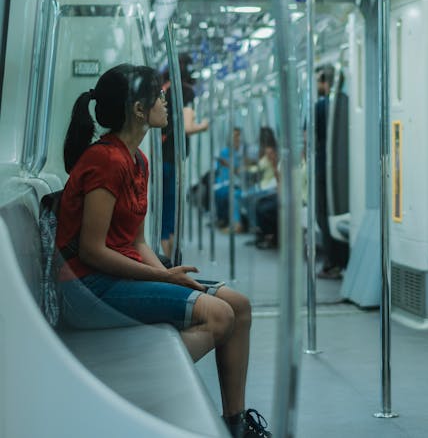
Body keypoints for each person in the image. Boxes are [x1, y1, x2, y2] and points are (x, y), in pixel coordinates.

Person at [56, 64, 270, 438]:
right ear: (139, 109)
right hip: (87, 287)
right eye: (157, 95)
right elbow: (91, 251)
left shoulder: (138, 160)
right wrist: (161, 277)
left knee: (239, 305)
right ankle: (122, 399)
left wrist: (174, 279)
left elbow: (137, 243)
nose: (165, 100)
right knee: (218, 316)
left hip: (118, 275)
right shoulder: (107, 160)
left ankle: (236, 425)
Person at [161, 53, 209, 259]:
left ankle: (163, 260)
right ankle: (168, 265)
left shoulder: (163, 88)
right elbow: (187, 127)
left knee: (161, 212)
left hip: (158, 159)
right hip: (173, 159)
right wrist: (203, 126)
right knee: (171, 216)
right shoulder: (185, 92)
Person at [313, 65, 349, 278]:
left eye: (319, 81)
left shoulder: (320, 106)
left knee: (324, 216)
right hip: (344, 170)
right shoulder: (346, 102)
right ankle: (342, 260)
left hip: (323, 168)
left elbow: (310, 138)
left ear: (325, 82)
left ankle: (330, 263)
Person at [215, 127, 247, 233]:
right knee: (220, 192)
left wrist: (230, 166)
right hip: (227, 182)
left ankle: (235, 223)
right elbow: (222, 172)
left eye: (238, 135)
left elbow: (243, 170)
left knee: (232, 194)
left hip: (242, 182)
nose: (236, 138)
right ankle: (224, 220)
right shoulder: (225, 152)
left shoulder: (244, 152)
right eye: (234, 136)